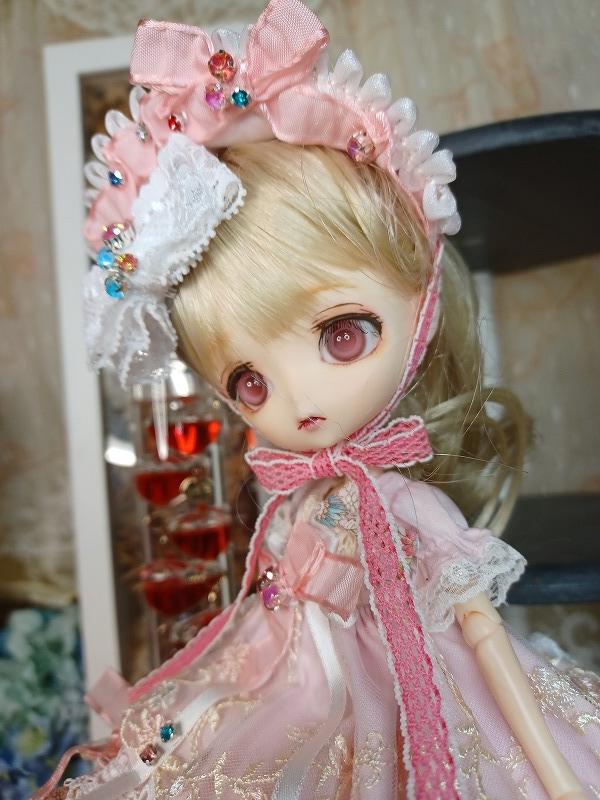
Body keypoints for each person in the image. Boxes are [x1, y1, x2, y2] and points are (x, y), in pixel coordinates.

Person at [39, 1, 600, 797]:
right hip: (288, 678)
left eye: (343, 335)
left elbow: (483, 636)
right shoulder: (295, 496)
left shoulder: (403, 503)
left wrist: (555, 772)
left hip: (388, 684)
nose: (297, 400)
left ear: (422, 303)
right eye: (250, 383)